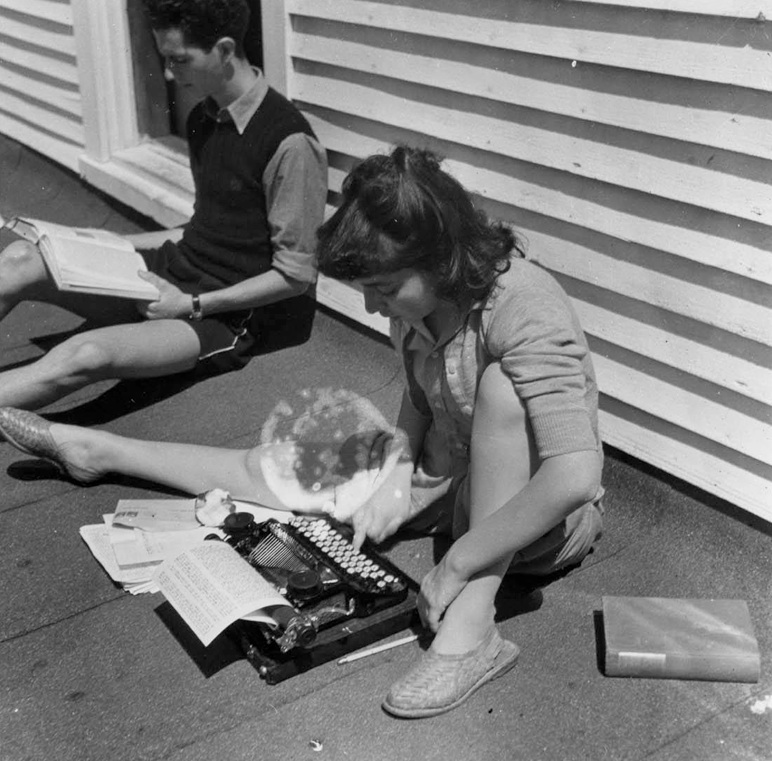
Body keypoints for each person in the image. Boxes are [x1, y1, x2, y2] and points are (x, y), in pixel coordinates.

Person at [0, 146, 604, 719]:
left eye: (385, 290)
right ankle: (97, 450)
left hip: (535, 523)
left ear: (442, 256)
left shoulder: (522, 301)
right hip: (446, 477)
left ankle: (473, 633)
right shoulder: (419, 303)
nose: (374, 308)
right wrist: (395, 476)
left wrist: (456, 563)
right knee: (276, 466)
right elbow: (420, 402)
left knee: (502, 388)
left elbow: (574, 477)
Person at [0, 0, 327, 412]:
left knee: (83, 354)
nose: (170, 73)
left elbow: (295, 276)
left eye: (179, 59)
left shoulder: (290, 143)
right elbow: (205, 227)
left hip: (229, 313)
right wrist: (101, 243)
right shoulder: (204, 118)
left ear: (225, 50)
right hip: (174, 273)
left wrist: (191, 305)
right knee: (20, 258)